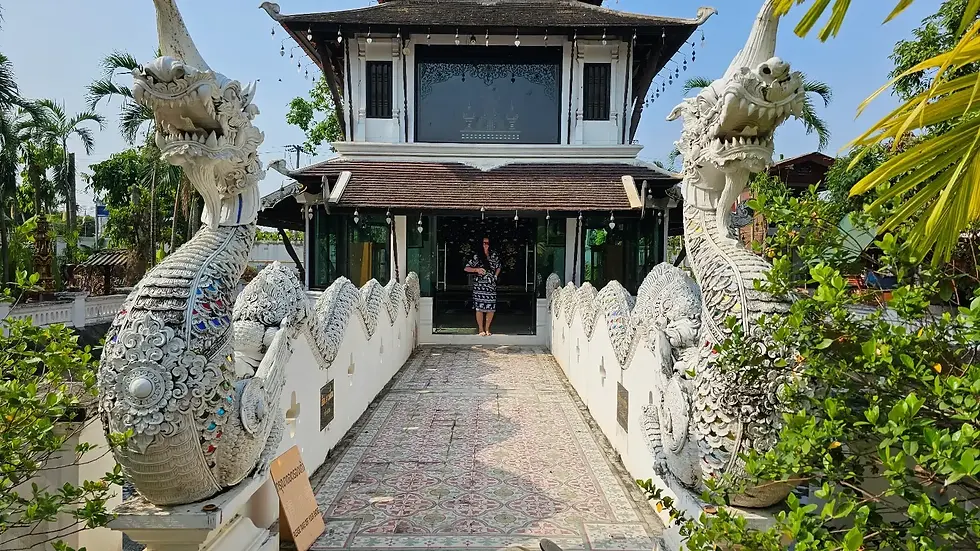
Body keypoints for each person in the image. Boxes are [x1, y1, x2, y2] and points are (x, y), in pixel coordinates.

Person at [464, 236, 501, 336]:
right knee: (479, 308)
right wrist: (476, 270)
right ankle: (480, 329)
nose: (485, 245)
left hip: (491, 285)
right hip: (479, 285)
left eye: (487, 243)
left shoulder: (493, 256)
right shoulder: (477, 256)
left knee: (491, 307)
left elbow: (498, 267)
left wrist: (495, 276)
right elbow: (466, 268)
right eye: (484, 243)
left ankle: (487, 328)